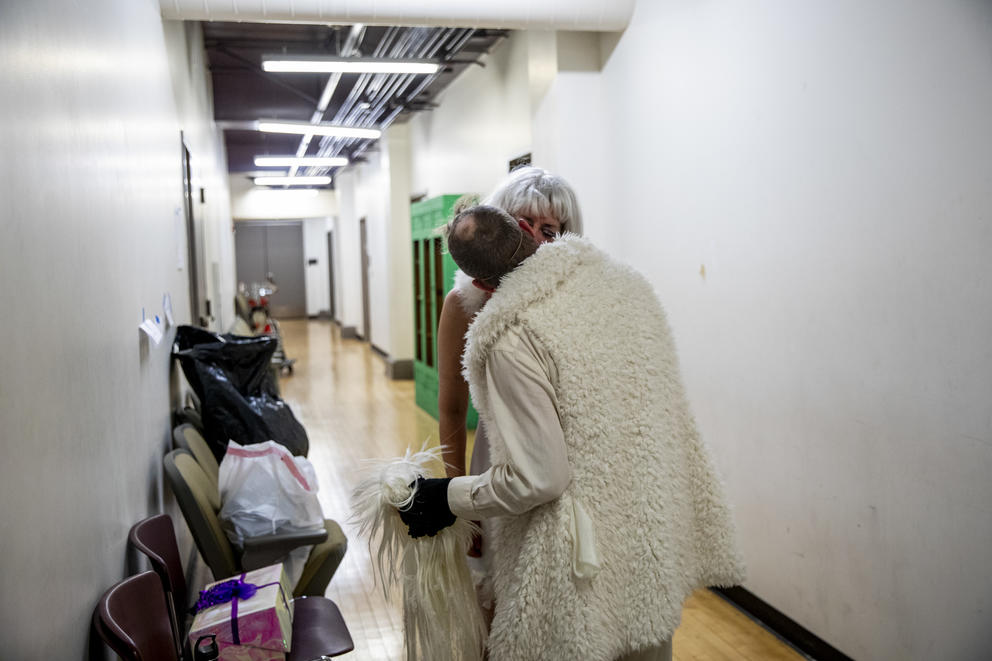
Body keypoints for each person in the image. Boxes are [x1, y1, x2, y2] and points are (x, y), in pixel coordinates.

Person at [400, 205, 745, 661]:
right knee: (645, 638)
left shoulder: (511, 335)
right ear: (526, 230)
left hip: (580, 553)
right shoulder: (629, 288)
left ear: (481, 285)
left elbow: (538, 477)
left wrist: (446, 497)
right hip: (648, 529)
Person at [437, 166, 584, 483]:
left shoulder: (577, 297)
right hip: (496, 465)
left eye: (547, 231)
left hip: (574, 463)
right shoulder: (464, 303)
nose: (531, 237)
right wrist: (455, 494)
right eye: (521, 223)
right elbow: (451, 407)